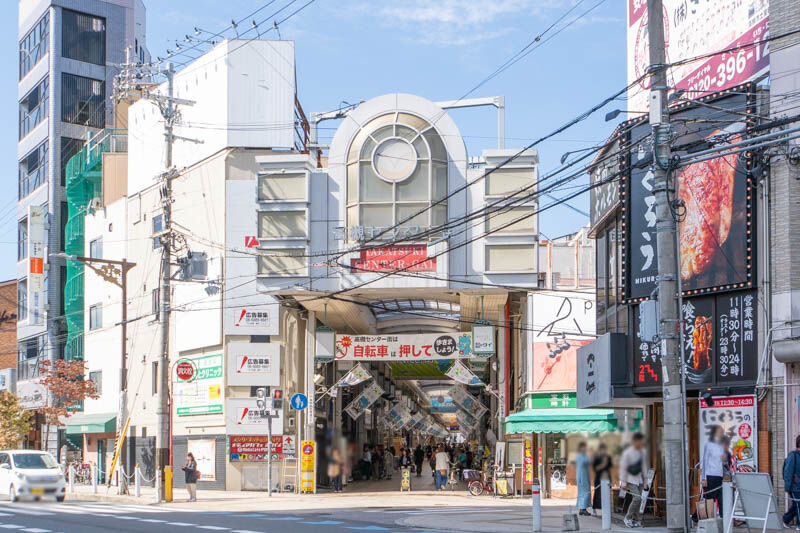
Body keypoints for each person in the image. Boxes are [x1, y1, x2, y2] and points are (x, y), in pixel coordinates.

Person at [619, 433, 648, 528]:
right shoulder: (628, 452)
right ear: (635, 441)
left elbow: (644, 467)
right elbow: (623, 467)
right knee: (637, 498)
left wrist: (646, 482)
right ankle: (627, 518)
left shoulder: (642, 452)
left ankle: (635, 520)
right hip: (630, 479)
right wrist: (623, 482)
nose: (641, 443)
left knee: (639, 500)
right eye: (640, 441)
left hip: (639, 480)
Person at [701, 425, 726, 516]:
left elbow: (722, 462)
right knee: (709, 499)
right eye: (720, 432)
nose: (722, 434)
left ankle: (723, 517)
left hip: (720, 475)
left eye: (722, 432)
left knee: (721, 498)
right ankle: (697, 517)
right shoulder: (709, 444)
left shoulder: (721, 445)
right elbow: (705, 461)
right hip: (710, 475)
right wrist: (703, 478)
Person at [783, 435, 800, 528]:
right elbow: (788, 472)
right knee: (799, 505)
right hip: (795, 486)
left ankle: (785, 520)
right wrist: (788, 487)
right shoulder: (793, 455)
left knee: (796, 505)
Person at [592, 443, 612, 514]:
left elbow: (610, 468)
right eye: (602, 449)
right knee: (597, 493)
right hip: (598, 478)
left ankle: (606, 510)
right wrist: (603, 464)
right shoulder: (597, 458)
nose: (603, 451)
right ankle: (594, 509)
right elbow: (595, 468)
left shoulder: (608, 457)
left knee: (607, 494)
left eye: (604, 449)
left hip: (607, 478)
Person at [575, 442, 592, 516]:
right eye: (584, 447)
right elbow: (587, 461)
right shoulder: (580, 455)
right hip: (582, 476)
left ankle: (582, 509)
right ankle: (583, 509)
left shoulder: (581, 455)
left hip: (583, 475)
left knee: (583, 493)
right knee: (585, 492)